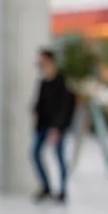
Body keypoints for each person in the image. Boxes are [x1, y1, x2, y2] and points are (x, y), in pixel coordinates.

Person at [31, 48, 76, 202]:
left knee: (59, 157)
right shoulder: (43, 82)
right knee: (34, 153)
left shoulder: (61, 82)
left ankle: (62, 190)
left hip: (57, 127)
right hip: (43, 125)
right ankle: (46, 186)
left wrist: (57, 127)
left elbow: (65, 106)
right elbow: (40, 103)